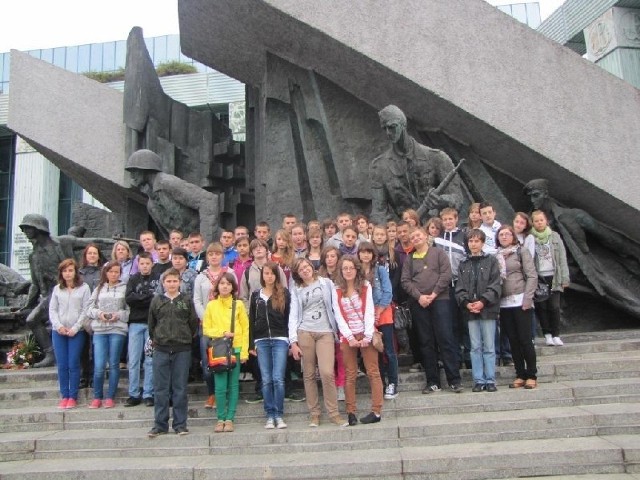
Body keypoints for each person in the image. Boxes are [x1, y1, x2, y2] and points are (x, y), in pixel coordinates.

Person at [370, 105, 463, 224]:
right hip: (406, 233)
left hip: (436, 229)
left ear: (403, 125)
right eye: (385, 129)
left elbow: (458, 199)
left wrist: (441, 200)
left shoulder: (436, 157)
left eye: (392, 127)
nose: (388, 133)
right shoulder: (379, 166)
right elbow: (378, 212)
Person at [401, 227, 463, 393]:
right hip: (419, 304)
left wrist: (434, 294)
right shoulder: (409, 259)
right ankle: (432, 381)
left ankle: (454, 380)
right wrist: (419, 297)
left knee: (446, 339)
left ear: (426, 236)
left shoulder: (438, 253)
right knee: (426, 342)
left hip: (440, 300)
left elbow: (446, 274)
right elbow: (405, 281)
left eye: (418, 235)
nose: (416, 238)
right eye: (412, 236)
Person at [289, 258, 346, 427]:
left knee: (327, 372)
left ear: (312, 267)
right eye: (301, 269)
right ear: (297, 274)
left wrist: (341, 330)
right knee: (309, 374)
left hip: (325, 331)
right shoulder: (297, 289)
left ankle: (334, 413)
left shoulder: (326, 283)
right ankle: (314, 413)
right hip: (305, 331)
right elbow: (293, 315)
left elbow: (335, 306)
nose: (305, 270)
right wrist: (293, 341)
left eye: (306, 266)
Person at [125, 149, 221, 244]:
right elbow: (169, 236)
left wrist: (206, 245)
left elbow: (208, 200)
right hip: (187, 252)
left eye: (134, 171)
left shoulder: (167, 182)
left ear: (145, 168)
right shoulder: (151, 205)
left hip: (216, 245)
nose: (132, 176)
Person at [147, 268, 199, 437]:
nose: (171, 284)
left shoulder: (186, 300)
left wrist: (184, 337)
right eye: (168, 281)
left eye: (174, 281)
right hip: (161, 348)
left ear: (180, 282)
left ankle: (180, 424)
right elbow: (151, 324)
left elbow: (192, 323)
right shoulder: (157, 301)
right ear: (163, 283)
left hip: (182, 348)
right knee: (161, 388)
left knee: (180, 388)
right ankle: (160, 424)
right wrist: (159, 338)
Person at [333, 256, 384, 425]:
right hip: (349, 336)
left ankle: (376, 411)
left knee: (373, 372)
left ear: (356, 269)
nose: (348, 271)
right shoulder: (337, 289)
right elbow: (338, 316)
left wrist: (368, 336)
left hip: (366, 332)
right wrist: (349, 337)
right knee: (350, 374)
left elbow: (369, 311)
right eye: (345, 268)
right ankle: (351, 412)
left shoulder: (365, 286)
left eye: (351, 268)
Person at [18, 214, 68, 368]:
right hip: (50, 295)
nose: (25, 231)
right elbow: (35, 284)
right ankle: (50, 354)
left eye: (28, 228)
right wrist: (27, 305)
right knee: (32, 319)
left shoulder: (59, 245)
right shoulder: (33, 256)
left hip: (66, 292)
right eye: (24, 228)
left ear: (37, 228)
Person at [455, 230, 502, 392]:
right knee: (475, 347)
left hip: (487, 308)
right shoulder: (463, 263)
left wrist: (483, 301)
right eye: (471, 241)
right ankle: (478, 380)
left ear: (482, 243)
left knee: (489, 346)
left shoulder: (492, 261)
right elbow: (459, 287)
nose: (473, 244)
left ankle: (490, 379)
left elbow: (495, 284)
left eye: (476, 241)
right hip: (470, 310)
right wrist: (467, 303)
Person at [203, 273, 249, 433]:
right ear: (217, 286)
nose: (225, 286)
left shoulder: (239, 305)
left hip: (235, 349)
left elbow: (245, 328)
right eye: (222, 283)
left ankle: (230, 418)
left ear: (233, 287)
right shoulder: (211, 305)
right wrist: (222, 332)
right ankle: (220, 418)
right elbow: (206, 328)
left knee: (233, 385)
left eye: (228, 284)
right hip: (219, 350)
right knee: (220, 387)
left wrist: (244, 352)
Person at [193, 242, 238, 409]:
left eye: (217, 254)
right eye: (210, 254)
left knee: (226, 360)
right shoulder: (201, 276)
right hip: (206, 325)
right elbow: (196, 300)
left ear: (222, 256)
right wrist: (205, 317)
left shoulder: (230, 273)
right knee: (208, 362)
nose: (214, 256)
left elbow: (235, 296)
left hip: (226, 327)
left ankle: (225, 393)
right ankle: (212, 393)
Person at [249, 262, 291, 429]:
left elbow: (289, 317)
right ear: (262, 275)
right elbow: (251, 320)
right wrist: (251, 343)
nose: (269, 276)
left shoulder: (284, 294)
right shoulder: (256, 295)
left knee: (278, 379)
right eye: (266, 273)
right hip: (261, 340)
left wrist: (290, 339)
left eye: (272, 273)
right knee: (266, 380)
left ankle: (279, 414)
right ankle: (270, 414)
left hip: (280, 338)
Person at [496, 225, 539, 389]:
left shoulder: (521, 252)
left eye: (507, 234)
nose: (504, 237)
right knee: (513, 340)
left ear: (513, 237)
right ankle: (520, 373)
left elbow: (532, 275)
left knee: (525, 339)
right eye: (501, 234)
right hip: (505, 303)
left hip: (521, 300)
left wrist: (528, 298)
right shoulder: (496, 255)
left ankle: (532, 374)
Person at [49, 259, 91, 409]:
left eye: (70, 270)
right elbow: (52, 310)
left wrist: (75, 327)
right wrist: (59, 326)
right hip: (58, 331)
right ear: (61, 273)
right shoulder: (57, 289)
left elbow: (86, 310)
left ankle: (73, 396)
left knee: (73, 363)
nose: (68, 274)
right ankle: (64, 395)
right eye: (65, 271)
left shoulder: (84, 288)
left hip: (76, 331)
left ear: (75, 272)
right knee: (62, 364)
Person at [87, 261, 129, 408]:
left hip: (117, 329)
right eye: (111, 272)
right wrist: (100, 314)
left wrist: (119, 314)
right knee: (99, 365)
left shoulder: (124, 288)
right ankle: (97, 396)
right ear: (106, 273)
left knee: (113, 363)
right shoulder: (99, 288)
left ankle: (110, 396)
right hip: (100, 329)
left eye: (117, 272)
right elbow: (89, 308)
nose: (114, 274)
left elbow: (129, 310)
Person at [358, 243, 397, 400]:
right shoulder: (357, 272)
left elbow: (388, 291)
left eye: (369, 252)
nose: (366, 255)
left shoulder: (380, 270)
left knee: (388, 350)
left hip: (383, 313)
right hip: (366, 317)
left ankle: (393, 383)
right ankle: (380, 382)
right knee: (374, 350)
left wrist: (379, 310)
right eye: (363, 252)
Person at [435, 208, 469, 369]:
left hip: (461, 285)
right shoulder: (438, 240)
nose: (448, 222)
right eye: (445, 219)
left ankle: (468, 357)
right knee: (451, 324)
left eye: (450, 219)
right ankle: (455, 357)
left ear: (456, 219)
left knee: (465, 322)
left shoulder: (464, 237)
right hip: (445, 287)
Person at [124, 252, 159, 407]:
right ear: (138, 264)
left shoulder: (158, 278)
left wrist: (141, 298)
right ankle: (133, 393)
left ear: (152, 263)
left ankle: (148, 393)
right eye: (142, 263)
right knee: (134, 359)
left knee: (150, 359)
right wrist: (146, 297)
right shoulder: (133, 279)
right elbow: (129, 299)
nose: (145, 266)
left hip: (152, 323)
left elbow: (156, 299)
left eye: (147, 263)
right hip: (135, 323)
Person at [531, 210, 570, 346]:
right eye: (536, 221)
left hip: (554, 276)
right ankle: (547, 335)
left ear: (546, 221)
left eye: (541, 220)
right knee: (542, 307)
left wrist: (565, 278)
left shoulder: (555, 237)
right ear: (533, 223)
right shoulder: (530, 238)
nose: (539, 223)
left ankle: (556, 334)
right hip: (539, 278)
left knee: (554, 307)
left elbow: (562, 258)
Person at [78, 244, 107, 388]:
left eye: (95, 253)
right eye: (89, 253)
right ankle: (84, 375)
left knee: (97, 347)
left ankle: (96, 375)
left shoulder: (104, 272)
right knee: (84, 347)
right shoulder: (80, 273)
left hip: (98, 313)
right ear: (85, 256)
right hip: (83, 314)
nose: (92, 256)